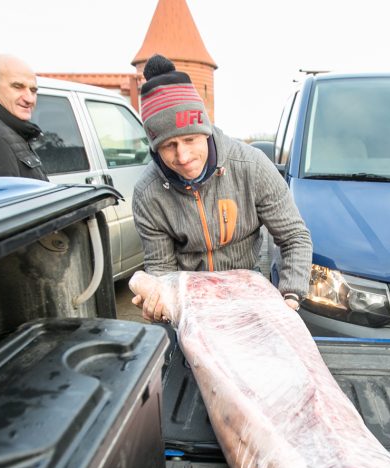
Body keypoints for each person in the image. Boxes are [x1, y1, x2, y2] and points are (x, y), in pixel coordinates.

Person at [130, 54, 312, 322]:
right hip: (191, 306)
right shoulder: (148, 194)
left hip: (250, 297)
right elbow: (162, 269)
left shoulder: (251, 166)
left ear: (204, 130)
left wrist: (291, 295)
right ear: (155, 146)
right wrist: (161, 303)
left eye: (190, 139)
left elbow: (294, 237)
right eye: (169, 145)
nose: (182, 156)